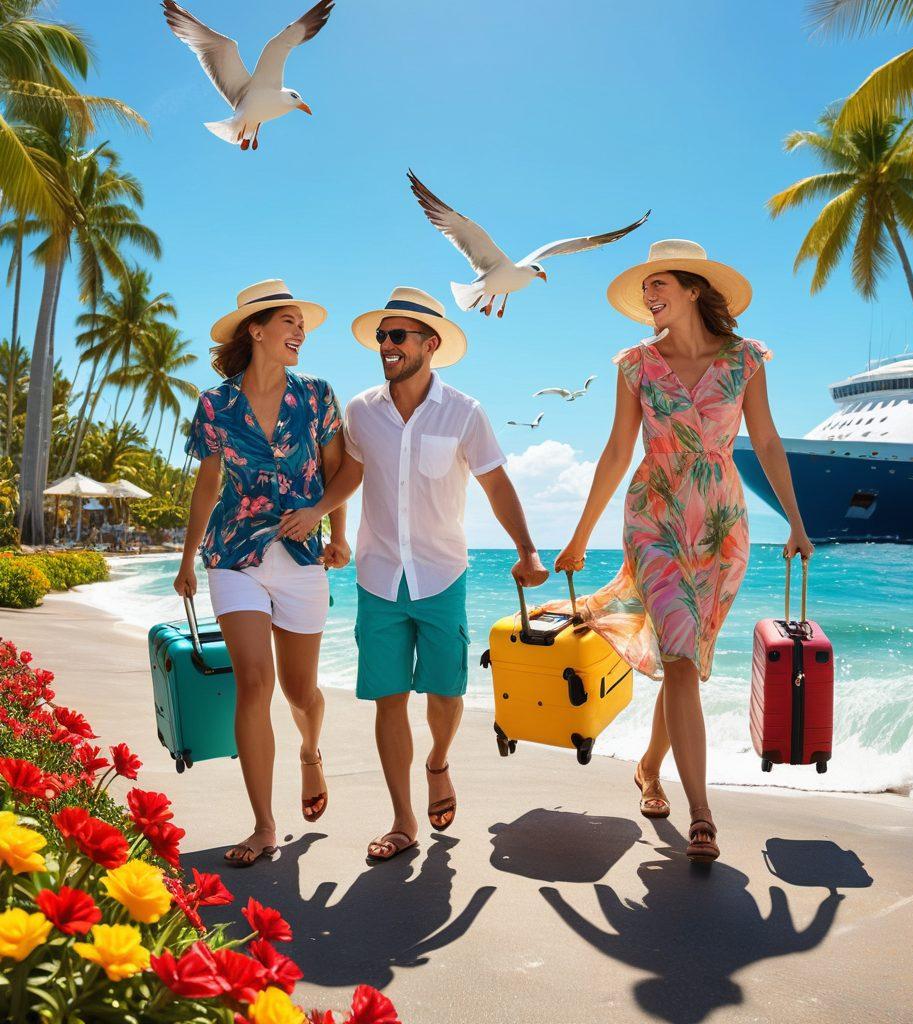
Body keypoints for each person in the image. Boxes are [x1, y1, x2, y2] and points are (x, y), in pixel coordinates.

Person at [553, 240, 814, 862]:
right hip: (655, 516)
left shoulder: (745, 360)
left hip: (722, 525)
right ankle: (702, 815)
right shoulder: (635, 365)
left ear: (694, 289)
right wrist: (580, 535)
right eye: (645, 288)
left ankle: (649, 767)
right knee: (677, 657)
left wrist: (796, 524)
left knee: (685, 663)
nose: (649, 295)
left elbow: (767, 442)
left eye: (659, 284)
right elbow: (618, 450)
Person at [278, 287, 549, 862]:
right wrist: (322, 516)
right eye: (382, 336)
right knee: (390, 699)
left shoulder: (465, 412)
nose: (386, 344)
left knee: (446, 693)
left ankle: (439, 762)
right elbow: (350, 474)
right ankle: (402, 819)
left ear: (431, 344)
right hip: (378, 577)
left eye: (398, 335)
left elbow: (495, 482)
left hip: (442, 573)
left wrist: (527, 551)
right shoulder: (360, 411)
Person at [173, 279, 350, 867]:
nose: (300, 333)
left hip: (300, 558)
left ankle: (311, 750)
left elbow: (337, 470)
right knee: (254, 682)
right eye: (289, 322)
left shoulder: (317, 395)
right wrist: (186, 560)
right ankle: (264, 825)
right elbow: (208, 485)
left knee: (301, 692)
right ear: (257, 330)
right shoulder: (215, 404)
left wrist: (334, 530)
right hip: (233, 556)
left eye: (303, 324)